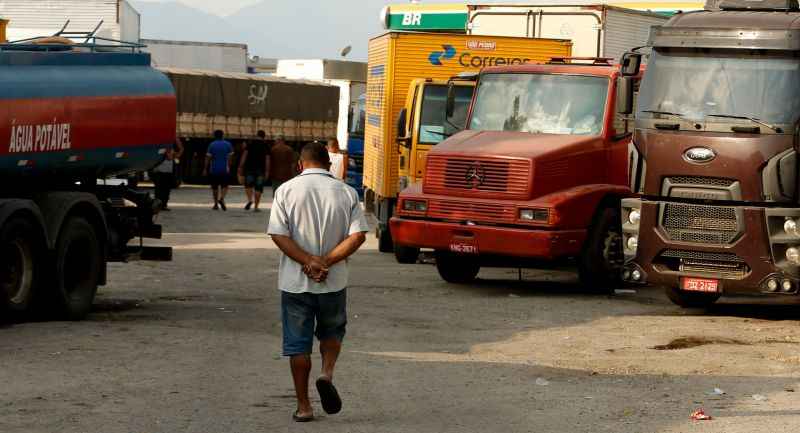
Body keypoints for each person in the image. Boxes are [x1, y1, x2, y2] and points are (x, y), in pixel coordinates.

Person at [267, 142, 370, 423]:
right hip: (333, 281)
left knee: (298, 346)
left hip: (295, 283)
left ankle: (304, 406)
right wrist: (326, 261)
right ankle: (326, 373)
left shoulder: (285, 191)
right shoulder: (347, 192)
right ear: (330, 164)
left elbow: (278, 234)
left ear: (300, 164)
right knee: (332, 333)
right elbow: (358, 235)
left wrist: (308, 261)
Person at [238, 130, 270, 212]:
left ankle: (249, 200)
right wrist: (267, 171)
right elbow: (267, 159)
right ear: (264, 136)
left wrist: (240, 167)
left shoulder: (250, 144)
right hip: (260, 170)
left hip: (249, 168)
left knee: (248, 185)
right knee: (258, 188)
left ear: (257, 135)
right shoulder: (266, 145)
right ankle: (256, 207)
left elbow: (244, 156)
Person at [151, 137, 184, 211]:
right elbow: (170, 156)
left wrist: (179, 146)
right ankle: (159, 205)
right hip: (159, 171)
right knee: (160, 190)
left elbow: (178, 153)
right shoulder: (160, 146)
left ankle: (163, 205)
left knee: (164, 190)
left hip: (166, 171)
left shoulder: (170, 147)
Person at [204, 130, 233, 211]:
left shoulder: (211, 145)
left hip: (214, 169)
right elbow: (230, 158)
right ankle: (222, 198)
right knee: (225, 186)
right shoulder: (228, 144)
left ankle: (216, 204)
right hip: (224, 169)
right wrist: (229, 166)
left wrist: (205, 168)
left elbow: (208, 158)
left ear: (214, 136)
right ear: (223, 135)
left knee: (215, 187)